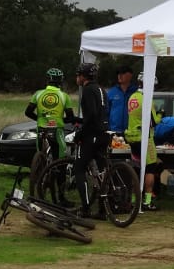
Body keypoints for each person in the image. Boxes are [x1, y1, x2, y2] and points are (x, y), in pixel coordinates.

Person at [73, 62, 111, 218]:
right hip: (104, 133)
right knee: (101, 172)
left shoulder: (88, 90)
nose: (76, 78)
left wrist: (80, 133)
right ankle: (102, 209)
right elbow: (99, 114)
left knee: (79, 168)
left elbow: (91, 115)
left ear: (83, 76)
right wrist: (78, 119)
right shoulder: (101, 89)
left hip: (92, 135)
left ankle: (86, 208)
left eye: (77, 75)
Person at [124, 72, 162, 211]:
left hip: (132, 137)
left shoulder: (132, 97)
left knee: (137, 169)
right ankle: (147, 201)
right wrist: (160, 114)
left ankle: (134, 200)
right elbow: (152, 122)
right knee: (150, 169)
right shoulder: (146, 99)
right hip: (144, 138)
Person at [24, 67, 75, 161]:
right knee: (60, 157)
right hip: (57, 129)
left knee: (41, 157)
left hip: (41, 128)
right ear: (60, 81)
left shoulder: (38, 94)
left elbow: (28, 112)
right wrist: (58, 119)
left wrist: (40, 119)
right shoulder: (64, 96)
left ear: (47, 80)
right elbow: (70, 117)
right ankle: (59, 174)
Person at [106, 64, 137, 134]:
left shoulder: (136, 92)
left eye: (122, 73)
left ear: (130, 75)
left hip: (132, 133)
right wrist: (108, 128)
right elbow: (106, 112)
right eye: (118, 73)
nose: (119, 75)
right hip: (114, 132)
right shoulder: (111, 92)